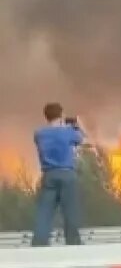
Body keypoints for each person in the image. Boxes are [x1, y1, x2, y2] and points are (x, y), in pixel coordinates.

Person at [31, 103, 87, 246]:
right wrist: (77, 125)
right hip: (67, 174)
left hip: (48, 175)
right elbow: (82, 139)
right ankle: (73, 242)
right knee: (70, 211)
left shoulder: (39, 134)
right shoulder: (68, 132)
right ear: (61, 115)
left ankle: (39, 243)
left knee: (45, 212)